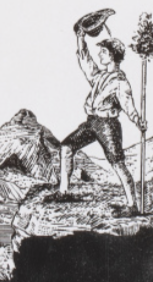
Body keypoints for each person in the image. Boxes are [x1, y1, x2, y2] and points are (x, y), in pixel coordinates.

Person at [59, 24, 146, 212]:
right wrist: (80, 38)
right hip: (92, 122)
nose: (100, 55)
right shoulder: (99, 77)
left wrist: (138, 122)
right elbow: (85, 61)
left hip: (108, 125)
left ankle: (132, 205)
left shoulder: (121, 82)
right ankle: (63, 192)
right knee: (66, 147)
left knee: (117, 163)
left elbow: (128, 106)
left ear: (113, 55)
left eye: (104, 52)